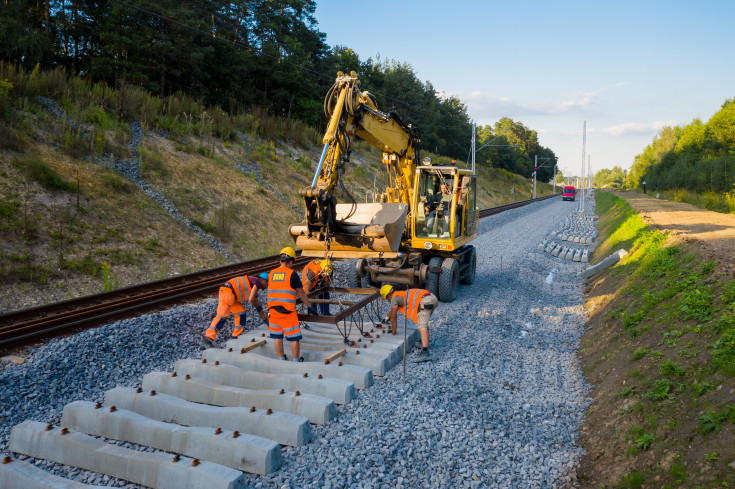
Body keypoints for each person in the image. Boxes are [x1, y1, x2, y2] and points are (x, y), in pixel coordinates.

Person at [268, 247, 317, 362]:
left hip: (272, 311)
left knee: (277, 336)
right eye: (292, 263)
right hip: (287, 311)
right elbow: (302, 293)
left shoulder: (271, 274)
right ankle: (296, 361)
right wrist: (309, 306)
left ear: (281, 261)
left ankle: (281, 359)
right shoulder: (292, 274)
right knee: (294, 337)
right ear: (290, 262)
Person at [201, 273, 269, 350]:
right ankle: (207, 340)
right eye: (268, 283)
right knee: (221, 317)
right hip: (227, 292)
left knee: (241, 313)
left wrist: (265, 320)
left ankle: (235, 337)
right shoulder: (256, 282)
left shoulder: (254, 285)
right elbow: (252, 300)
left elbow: (257, 305)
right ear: (263, 281)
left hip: (232, 296)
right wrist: (265, 319)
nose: (267, 286)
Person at [379, 284, 438, 363]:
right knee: (424, 322)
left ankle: (425, 353)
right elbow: (392, 311)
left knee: (421, 327)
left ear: (388, 296)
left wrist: (393, 331)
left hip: (425, 301)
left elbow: (394, 316)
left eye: (387, 299)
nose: (388, 301)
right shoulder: (400, 294)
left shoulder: (393, 298)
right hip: (431, 298)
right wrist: (386, 318)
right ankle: (423, 343)